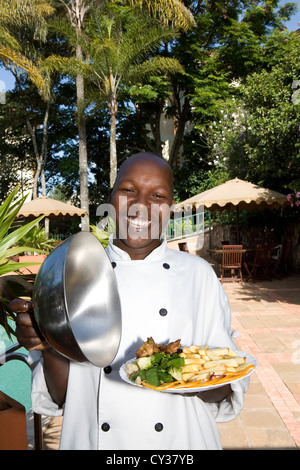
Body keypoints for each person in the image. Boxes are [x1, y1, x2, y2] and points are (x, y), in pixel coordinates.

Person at [10, 152, 248, 450]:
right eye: (128, 190)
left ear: (171, 207)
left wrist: (185, 376)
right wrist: (49, 344)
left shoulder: (198, 275)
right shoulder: (76, 274)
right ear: (111, 197)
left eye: (158, 195)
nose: (140, 206)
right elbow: (61, 397)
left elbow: (222, 388)